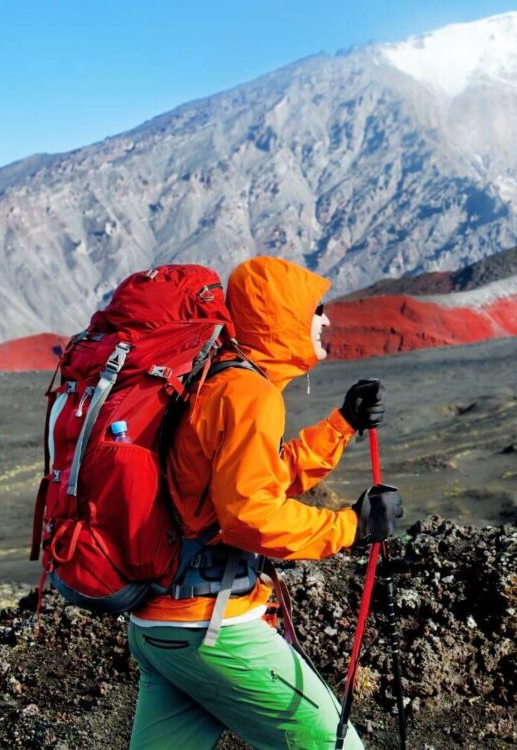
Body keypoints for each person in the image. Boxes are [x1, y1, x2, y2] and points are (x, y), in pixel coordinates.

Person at [127, 256, 404, 749]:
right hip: (212, 630)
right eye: (315, 309)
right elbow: (252, 516)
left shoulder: (218, 379)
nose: (326, 320)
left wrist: (341, 425)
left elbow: (260, 479)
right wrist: (352, 527)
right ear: (281, 318)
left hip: (158, 627)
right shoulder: (248, 393)